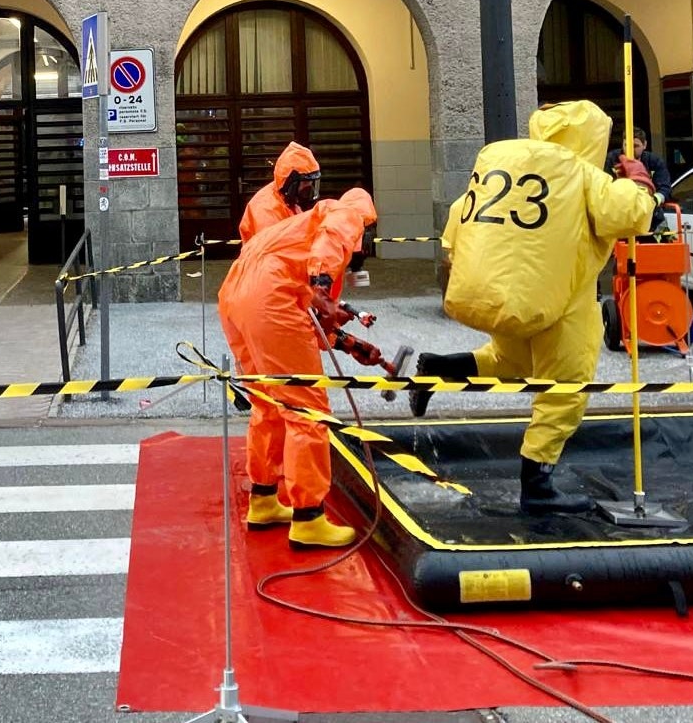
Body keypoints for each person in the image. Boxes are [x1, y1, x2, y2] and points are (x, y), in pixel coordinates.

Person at [410, 101, 656, 515]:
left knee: (511, 360)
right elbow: (631, 215)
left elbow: (456, 223)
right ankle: (537, 484)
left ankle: (440, 368)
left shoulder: (505, 170)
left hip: (517, 290)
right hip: (565, 304)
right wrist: (641, 184)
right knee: (565, 388)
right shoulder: (583, 176)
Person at [217, 188, 380, 550]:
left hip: (237, 295)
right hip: (269, 299)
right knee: (307, 410)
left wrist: (352, 345)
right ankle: (308, 517)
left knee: (270, 402)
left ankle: (263, 500)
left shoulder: (296, 234)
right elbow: (327, 257)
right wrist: (323, 285)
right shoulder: (346, 213)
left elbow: (307, 325)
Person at [239, 142, 321, 244]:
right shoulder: (266, 210)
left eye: (311, 182)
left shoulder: (288, 198)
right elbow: (277, 250)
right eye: (305, 182)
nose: (309, 187)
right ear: (290, 182)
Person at [607, 132, 671, 229]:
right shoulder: (612, 159)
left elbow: (665, 188)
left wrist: (653, 200)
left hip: (650, 215)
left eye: (635, 146)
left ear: (644, 145)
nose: (630, 150)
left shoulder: (654, 161)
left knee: (662, 236)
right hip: (619, 216)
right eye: (626, 145)